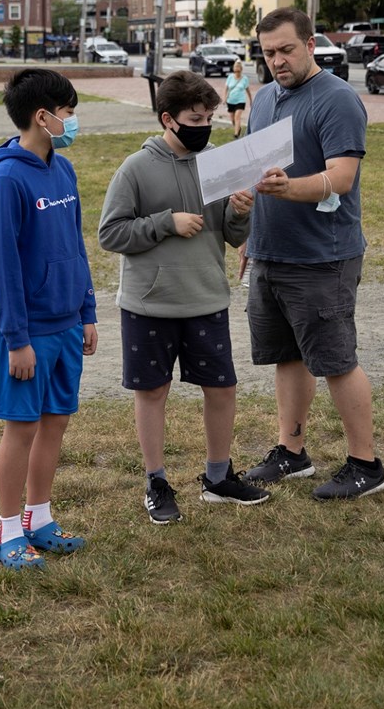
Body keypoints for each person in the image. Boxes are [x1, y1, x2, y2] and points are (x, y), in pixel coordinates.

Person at [98, 70, 269, 524]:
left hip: (207, 297)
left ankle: (218, 477)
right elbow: (110, 233)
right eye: (196, 117)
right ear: (167, 119)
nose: (205, 125)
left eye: (210, 116)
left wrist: (239, 213)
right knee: (153, 391)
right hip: (149, 303)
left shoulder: (218, 161)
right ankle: (156, 480)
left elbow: (231, 237)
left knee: (223, 387)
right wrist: (164, 222)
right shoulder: (135, 168)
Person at [240, 7, 384, 500]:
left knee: (336, 360)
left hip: (322, 256)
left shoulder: (337, 99)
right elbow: (250, 170)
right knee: (288, 356)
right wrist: (246, 237)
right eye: (268, 53)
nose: (278, 61)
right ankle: (292, 452)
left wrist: (288, 188)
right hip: (269, 251)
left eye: (286, 49)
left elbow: (340, 179)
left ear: (310, 43)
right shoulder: (262, 100)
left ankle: (366, 464)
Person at [0, 68, 98, 571]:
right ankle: (8, 531)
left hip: (68, 325)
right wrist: (16, 340)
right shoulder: (7, 179)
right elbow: (1, 266)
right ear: (42, 116)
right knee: (22, 430)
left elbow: (75, 244)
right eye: (68, 112)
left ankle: (40, 519)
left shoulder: (64, 170)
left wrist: (87, 312)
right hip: (27, 335)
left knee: (55, 424)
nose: (72, 121)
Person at [224, 59, 252, 138]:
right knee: (232, 119)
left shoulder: (245, 79)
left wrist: (250, 100)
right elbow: (226, 88)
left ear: (241, 69)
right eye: (235, 67)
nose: (237, 69)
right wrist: (224, 98)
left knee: (237, 116)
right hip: (231, 100)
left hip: (240, 100)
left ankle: (236, 134)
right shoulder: (230, 77)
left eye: (238, 67)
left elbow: (248, 90)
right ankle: (238, 128)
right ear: (233, 69)